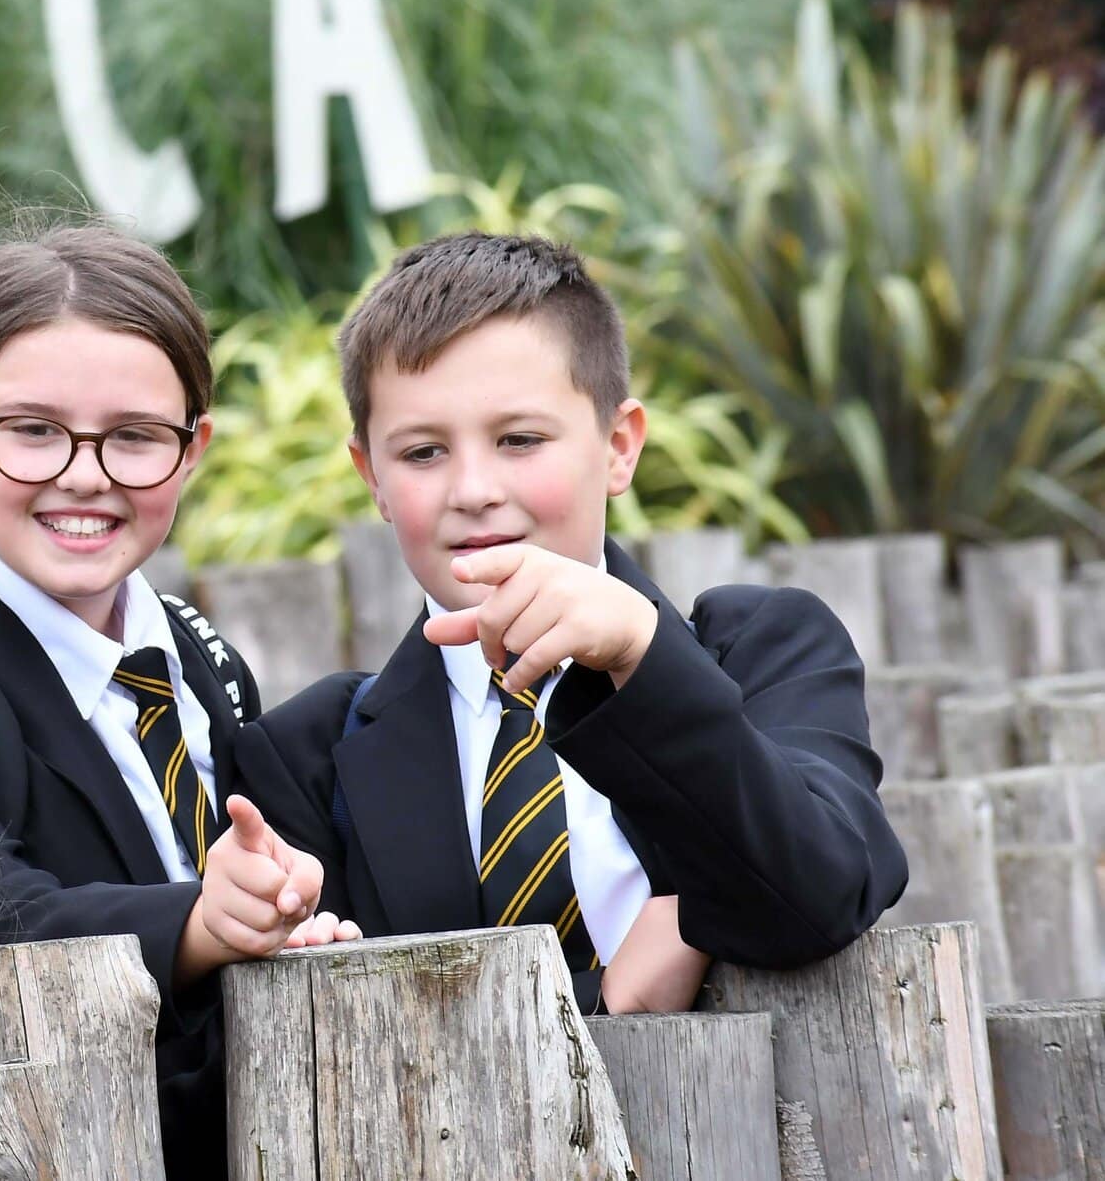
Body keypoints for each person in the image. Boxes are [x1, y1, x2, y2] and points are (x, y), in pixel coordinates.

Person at [234, 231, 909, 1011]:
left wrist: (640, 657)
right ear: (372, 478)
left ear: (618, 446)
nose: (474, 488)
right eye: (422, 453)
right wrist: (602, 1000)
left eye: (520, 439)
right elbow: (320, 1042)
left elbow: (826, 893)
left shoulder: (762, 652)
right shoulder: (307, 758)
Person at [0, 220, 351, 1180]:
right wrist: (200, 925)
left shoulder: (197, 655)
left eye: (135, 437)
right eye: (34, 430)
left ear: (193, 448)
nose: (84, 474)